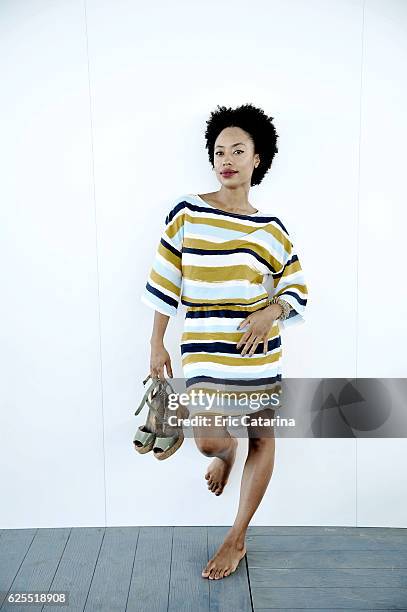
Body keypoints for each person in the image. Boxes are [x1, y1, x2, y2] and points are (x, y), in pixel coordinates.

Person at [141, 103, 308, 580]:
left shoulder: (271, 229)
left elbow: (297, 288)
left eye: (238, 150)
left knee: (262, 433)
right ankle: (225, 455)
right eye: (219, 151)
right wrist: (157, 343)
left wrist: (271, 310)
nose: (226, 158)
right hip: (205, 351)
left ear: (258, 159)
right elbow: (165, 281)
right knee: (209, 438)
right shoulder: (187, 212)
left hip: (259, 354)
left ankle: (236, 538)